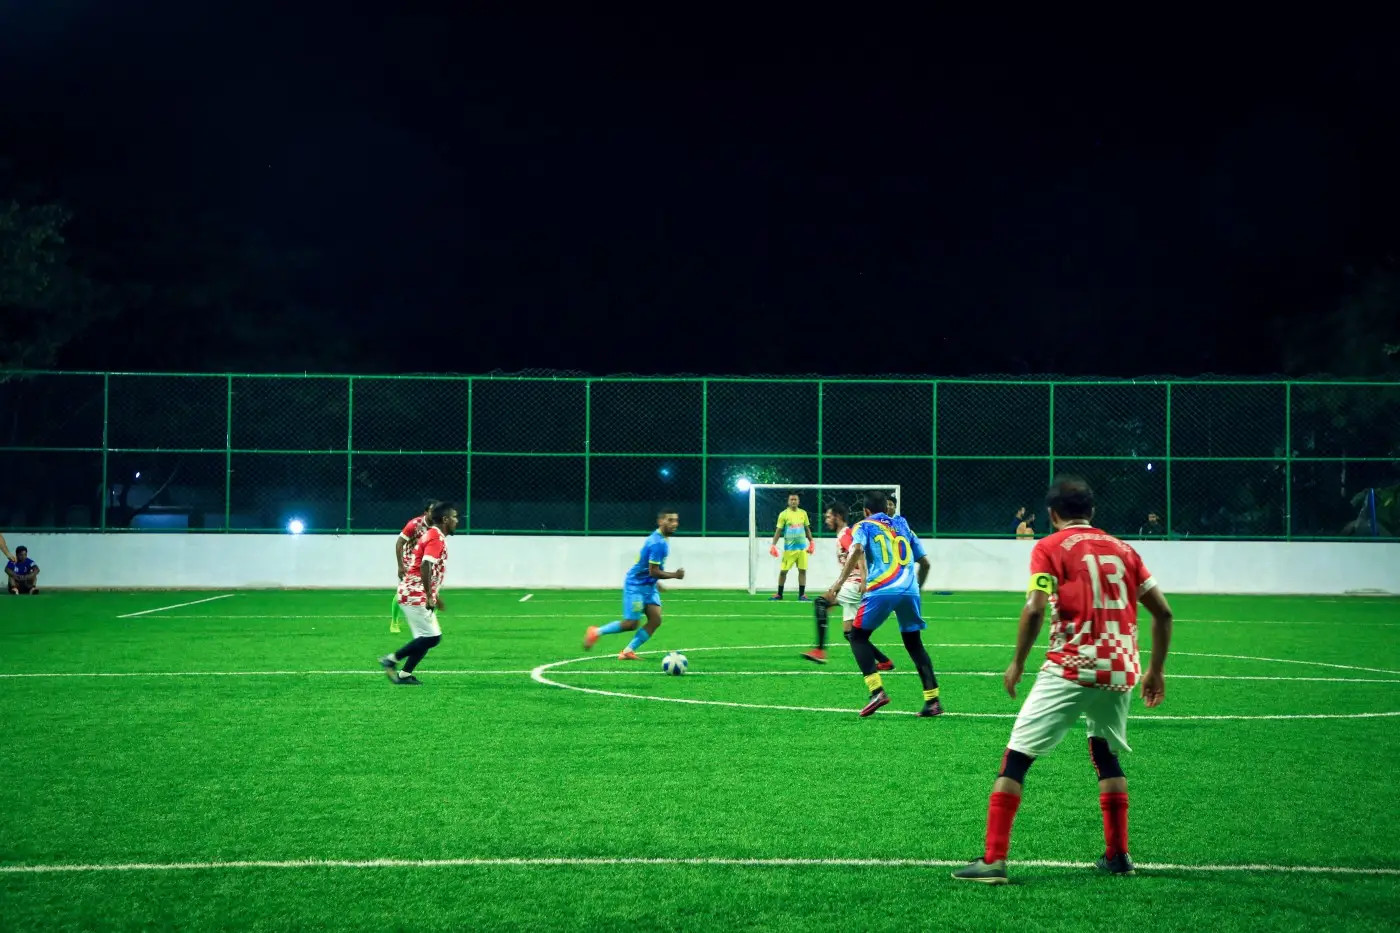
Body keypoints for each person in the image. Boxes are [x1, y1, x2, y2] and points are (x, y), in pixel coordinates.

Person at [953, 476, 1174, 885]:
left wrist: (1017, 662)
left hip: (1072, 665)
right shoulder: (1124, 549)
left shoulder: (1049, 547)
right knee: (1105, 753)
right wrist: (1156, 669)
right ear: (1092, 511)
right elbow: (1163, 612)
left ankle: (993, 860)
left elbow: (1035, 608)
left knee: (1016, 757)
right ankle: (1118, 855)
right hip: (1119, 668)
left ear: (1053, 514)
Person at [824, 490, 943, 718]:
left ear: (866, 510)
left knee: (857, 637)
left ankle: (876, 691)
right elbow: (925, 564)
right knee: (914, 644)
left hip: (882, 588)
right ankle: (933, 701)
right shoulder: (903, 526)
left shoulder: (863, 526)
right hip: (910, 589)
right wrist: (916, 589)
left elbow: (857, 550)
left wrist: (838, 583)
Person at [801, 503, 894, 671]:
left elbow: (859, 551)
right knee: (850, 634)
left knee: (821, 602)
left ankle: (820, 651)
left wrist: (864, 579)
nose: (826, 520)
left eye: (829, 517)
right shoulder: (844, 534)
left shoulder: (845, 534)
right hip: (854, 584)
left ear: (838, 517)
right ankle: (885, 661)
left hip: (855, 584)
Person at [583, 510, 686, 659]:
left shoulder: (662, 539)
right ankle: (595, 632)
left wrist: (655, 583)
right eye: (670, 520)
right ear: (660, 522)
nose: (674, 524)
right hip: (636, 587)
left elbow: (650, 568)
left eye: (676, 520)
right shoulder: (657, 543)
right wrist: (675, 575)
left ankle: (627, 651)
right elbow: (653, 571)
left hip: (648, 586)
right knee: (631, 623)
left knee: (655, 620)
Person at [379, 502, 458, 685]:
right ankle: (390, 660)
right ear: (445, 519)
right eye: (454, 517)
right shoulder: (435, 538)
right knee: (433, 638)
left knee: (425, 638)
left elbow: (427, 569)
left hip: (414, 592)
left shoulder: (433, 535)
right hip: (414, 594)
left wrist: (435, 597)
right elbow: (425, 565)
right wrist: (430, 596)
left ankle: (405, 675)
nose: (457, 521)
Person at [391, 500, 439, 633]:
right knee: (403, 592)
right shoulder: (414, 524)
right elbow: (399, 543)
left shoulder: (438, 526)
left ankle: (428, 621)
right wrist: (400, 566)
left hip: (426, 562)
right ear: (426, 512)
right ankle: (394, 622)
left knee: (432, 592)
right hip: (409, 562)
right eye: (433, 511)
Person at [769, 492, 815, 600]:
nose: (793, 501)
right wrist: (773, 545)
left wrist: (811, 542)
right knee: (783, 572)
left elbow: (807, 528)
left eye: (795, 499)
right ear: (788, 501)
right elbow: (778, 530)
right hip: (789, 550)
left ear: (798, 501)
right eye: (791, 499)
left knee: (802, 571)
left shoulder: (803, 513)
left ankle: (802, 595)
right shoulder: (783, 514)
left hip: (802, 549)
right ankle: (779, 594)